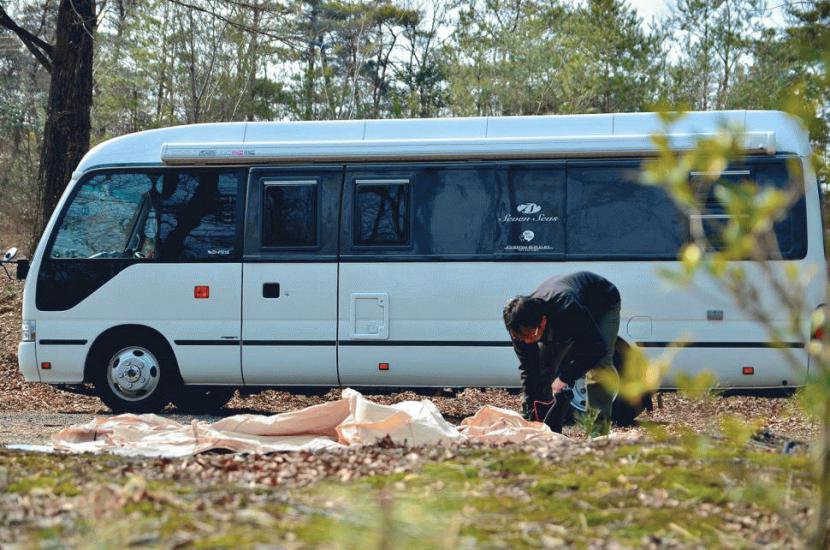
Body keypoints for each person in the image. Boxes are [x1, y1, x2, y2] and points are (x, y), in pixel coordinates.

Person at [503, 271, 621, 432]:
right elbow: (529, 368)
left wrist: (565, 376)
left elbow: (596, 348)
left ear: (543, 321)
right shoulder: (519, 326)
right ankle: (540, 424)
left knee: (600, 366)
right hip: (569, 314)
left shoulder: (566, 307)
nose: (528, 341)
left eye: (531, 335)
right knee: (543, 367)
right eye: (521, 337)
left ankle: (597, 432)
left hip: (602, 302)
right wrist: (532, 409)